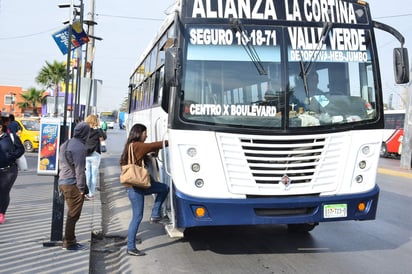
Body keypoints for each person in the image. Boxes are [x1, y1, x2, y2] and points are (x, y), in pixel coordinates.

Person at [120, 123, 169, 256]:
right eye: (144, 133)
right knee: (137, 217)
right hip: (135, 188)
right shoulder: (137, 145)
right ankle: (130, 247)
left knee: (163, 188)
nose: (146, 135)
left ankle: (155, 214)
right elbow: (153, 145)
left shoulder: (130, 146)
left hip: (138, 185)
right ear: (139, 133)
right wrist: (170, 141)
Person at [58, 122, 90, 250]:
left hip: (63, 181)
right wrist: (82, 189)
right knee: (73, 215)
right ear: (85, 133)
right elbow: (79, 170)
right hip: (72, 183)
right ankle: (69, 242)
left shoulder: (67, 143)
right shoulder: (80, 148)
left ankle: (70, 239)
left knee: (72, 214)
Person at [0, 119, 25, 224]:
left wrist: (12, 156)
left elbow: (21, 149)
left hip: (9, 170)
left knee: (3, 192)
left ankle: (1, 213)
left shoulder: (11, 137)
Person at [84, 114, 107, 199]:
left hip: (86, 155)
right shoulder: (98, 131)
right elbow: (104, 137)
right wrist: (99, 128)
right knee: (94, 174)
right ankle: (91, 193)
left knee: (87, 174)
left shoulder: (84, 130)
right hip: (95, 154)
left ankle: (85, 192)